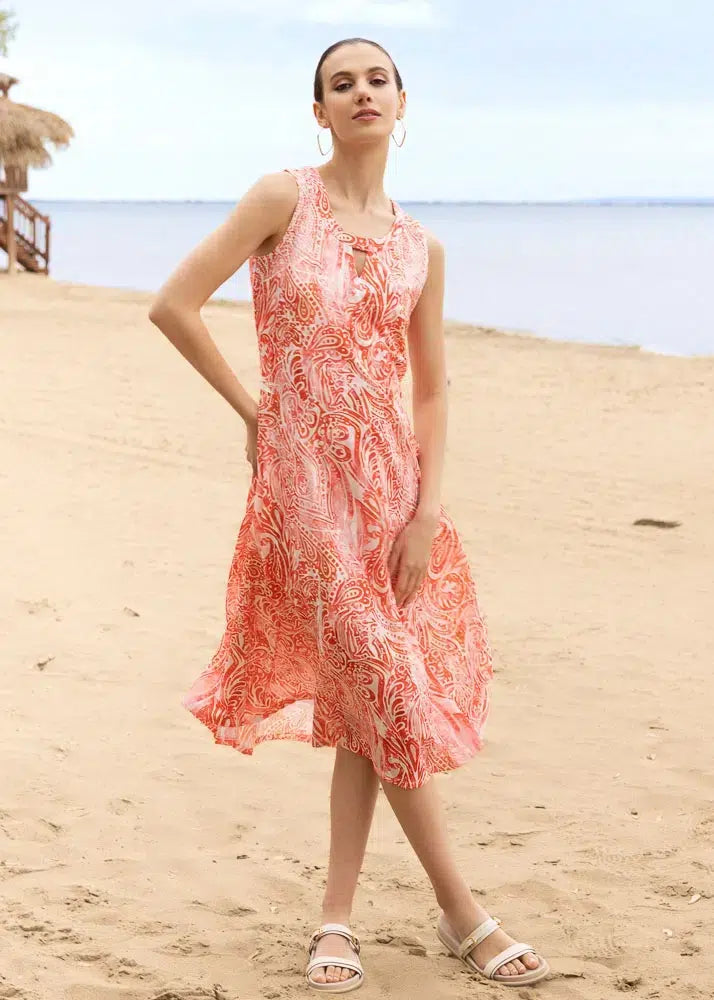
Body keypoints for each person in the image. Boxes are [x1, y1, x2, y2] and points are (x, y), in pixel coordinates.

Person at [149, 36, 550, 993]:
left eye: (377, 79)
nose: (361, 92)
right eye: (341, 83)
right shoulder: (283, 199)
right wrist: (258, 413)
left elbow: (432, 389)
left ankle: (337, 921)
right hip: (304, 497)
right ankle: (466, 914)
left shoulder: (422, 246)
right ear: (318, 111)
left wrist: (427, 509)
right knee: (385, 686)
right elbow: (174, 304)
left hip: (393, 496)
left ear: (403, 104)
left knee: (366, 706)